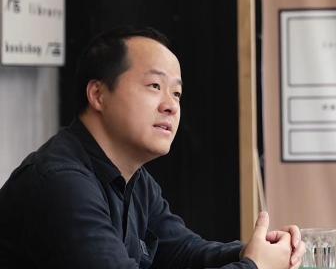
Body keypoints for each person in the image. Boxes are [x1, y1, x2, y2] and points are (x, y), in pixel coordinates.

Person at [0, 27, 305, 269]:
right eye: (155, 86)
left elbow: (183, 252)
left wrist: (251, 251)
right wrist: (253, 266)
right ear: (98, 95)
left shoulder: (135, 179)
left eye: (177, 93)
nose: (171, 105)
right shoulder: (61, 182)